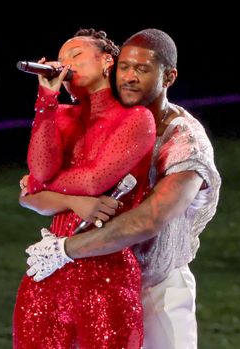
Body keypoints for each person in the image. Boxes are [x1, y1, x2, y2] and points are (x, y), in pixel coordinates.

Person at [22, 28, 221, 349]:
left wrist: (66, 249)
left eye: (141, 70)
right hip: (88, 277)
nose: (128, 77)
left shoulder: (185, 141)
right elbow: (31, 194)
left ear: (168, 77)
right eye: (124, 67)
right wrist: (60, 195)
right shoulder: (92, 119)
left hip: (157, 286)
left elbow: (149, 219)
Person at [12, 28, 156, 348]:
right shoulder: (59, 115)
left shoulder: (135, 119)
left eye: (75, 55)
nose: (65, 65)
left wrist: (42, 187)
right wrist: (46, 101)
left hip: (106, 271)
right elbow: (39, 173)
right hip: (48, 270)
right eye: (60, 60)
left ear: (107, 61)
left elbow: (94, 180)